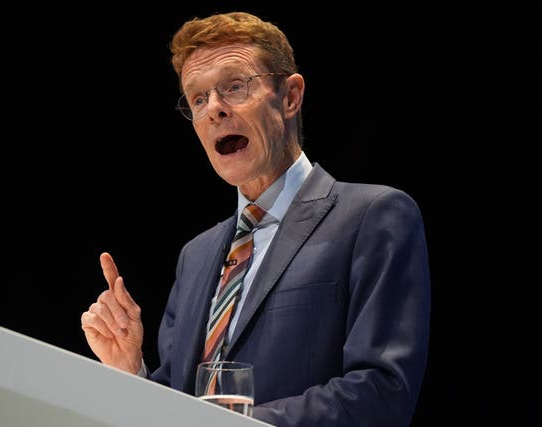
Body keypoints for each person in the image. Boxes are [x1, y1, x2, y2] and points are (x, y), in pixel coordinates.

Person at [81, 11, 431, 427]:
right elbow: (177, 409)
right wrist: (131, 372)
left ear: (290, 97)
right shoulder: (196, 256)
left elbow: (381, 393)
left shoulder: (372, 217)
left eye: (234, 87)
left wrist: (231, 424)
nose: (214, 110)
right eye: (197, 98)